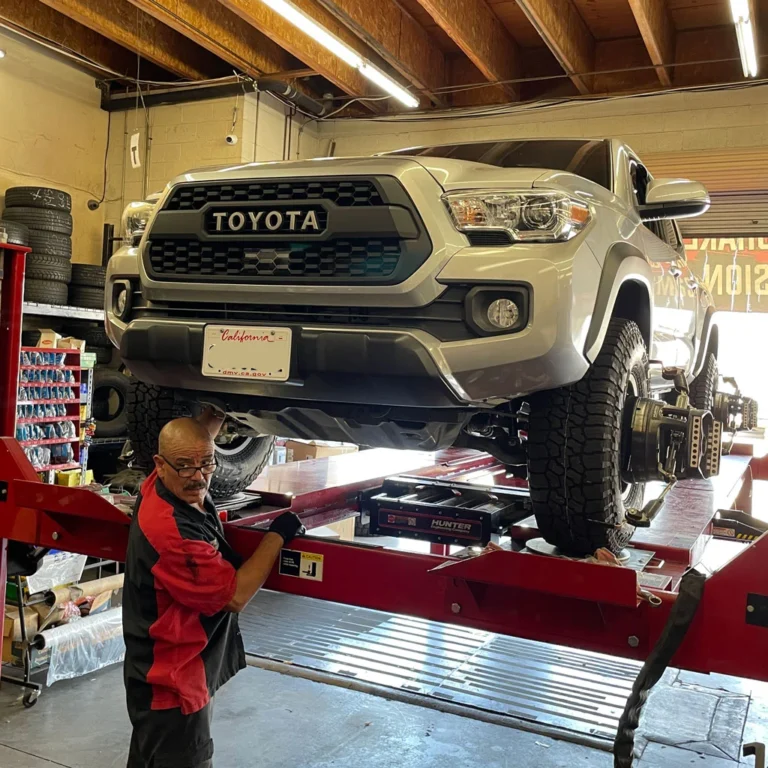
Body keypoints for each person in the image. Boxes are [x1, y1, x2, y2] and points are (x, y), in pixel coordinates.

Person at [123, 408, 303, 767]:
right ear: (160, 464)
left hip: (157, 675)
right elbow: (235, 596)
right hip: (173, 685)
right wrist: (277, 536)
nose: (199, 478)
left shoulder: (159, 485)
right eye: (186, 467)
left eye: (207, 464)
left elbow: (195, 444)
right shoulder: (173, 535)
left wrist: (219, 407)